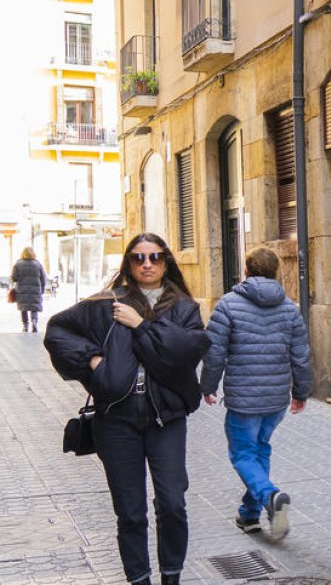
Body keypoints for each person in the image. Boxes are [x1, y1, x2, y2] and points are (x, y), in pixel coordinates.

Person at [43, 233, 211, 585]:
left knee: (172, 504)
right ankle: (139, 579)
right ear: (128, 263)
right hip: (116, 421)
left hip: (166, 419)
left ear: (166, 261)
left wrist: (140, 324)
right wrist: (91, 361)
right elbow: (58, 331)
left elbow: (184, 353)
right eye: (138, 258)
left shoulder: (183, 308)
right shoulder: (106, 303)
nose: (146, 264)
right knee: (131, 513)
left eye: (154, 257)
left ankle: (171, 576)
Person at [201, 246, 311, 540]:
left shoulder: (227, 305)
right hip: (276, 399)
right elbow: (300, 356)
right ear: (277, 273)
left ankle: (270, 495)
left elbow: (213, 354)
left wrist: (207, 386)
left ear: (246, 271)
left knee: (242, 453)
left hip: (243, 399)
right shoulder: (290, 308)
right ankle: (249, 514)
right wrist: (301, 392)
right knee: (259, 449)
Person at [11, 246, 46, 332]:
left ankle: (25, 325)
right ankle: (34, 321)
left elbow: (14, 278)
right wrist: (42, 289)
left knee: (24, 308)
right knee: (34, 308)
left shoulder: (18, 264)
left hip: (22, 290)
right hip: (35, 290)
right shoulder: (38, 264)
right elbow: (43, 278)